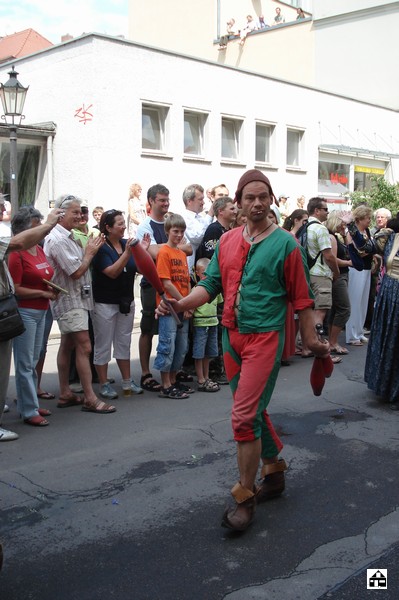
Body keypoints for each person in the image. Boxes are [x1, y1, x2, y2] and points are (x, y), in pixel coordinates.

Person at [156, 169, 328, 532]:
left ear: (271, 201)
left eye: (263, 196)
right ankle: (274, 473)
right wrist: (182, 303)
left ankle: (245, 495)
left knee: (243, 417)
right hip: (230, 338)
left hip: (265, 339)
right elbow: (211, 283)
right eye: (249, 197)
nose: (257, 203)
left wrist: (312, 341)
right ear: (237, 203)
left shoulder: (287, 245)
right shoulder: (229, 240)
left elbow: (302, 299)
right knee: (251, 412)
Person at [44, 194, 116, 414]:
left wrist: (87, 252)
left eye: (81, 211)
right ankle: (90, 398)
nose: (80, 215)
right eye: (75, 212)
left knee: (68, 344)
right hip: (69, 300)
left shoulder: (68, 235)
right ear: (61, 214)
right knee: (85, 346)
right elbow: (76, 272)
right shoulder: (57, 239)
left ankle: (66, 392)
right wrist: (90, 253)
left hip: (76, 299)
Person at [0, 197, 62, 441]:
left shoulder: (35, 247)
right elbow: (16, 287)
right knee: (23, 364)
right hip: (24, 310)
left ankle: (30, 405)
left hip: (40, 309)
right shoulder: (16, 250)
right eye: (35, 227)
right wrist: (43, 292)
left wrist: (48, 291)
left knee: (32, 360)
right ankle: (28, 410)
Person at [136, 184, 192, 392]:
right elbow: (150, 252)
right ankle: (146, 374)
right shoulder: (145, 226)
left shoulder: (172, 226)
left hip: (177, 290)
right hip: (154, 286)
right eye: (161, 200)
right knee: (150, 329)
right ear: (151, 201)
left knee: (176, 337)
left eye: (167, 200)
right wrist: (166, 247)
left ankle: (173, 376)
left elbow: (187, 248)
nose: (166, 203)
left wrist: (164, 247)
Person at [91, 209, 145, 399]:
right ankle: (104, 383)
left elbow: (138, 268)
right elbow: (112, 272)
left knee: (124, 342)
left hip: (126, 302)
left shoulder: (126, 244)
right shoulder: (101, 248)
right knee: (103, 344)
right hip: (105, 303)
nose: (123, 227)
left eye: (124, 223)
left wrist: (142, 251)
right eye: (120, 224)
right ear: (108, 227)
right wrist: (128, 253)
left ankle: (127, 381)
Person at [361, 212, 399, 409]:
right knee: (389, 341)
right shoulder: (391, 238)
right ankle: (386, 387)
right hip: (389, 296)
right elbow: (365, 248)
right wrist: (351, 229)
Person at [154, 214, 192, 399]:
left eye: (181, 231)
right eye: (175, 231)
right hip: (170, 307)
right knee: (167, 345)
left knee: (181, 346)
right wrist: (184, 303)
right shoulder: (164, 252)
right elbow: (166, 283)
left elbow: (186, 280)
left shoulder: (182, 253)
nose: (179, 235)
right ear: (168, 231)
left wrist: (189, 302)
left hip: (183, 306)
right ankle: (165, 384)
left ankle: (174, 379)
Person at [300, 197, 339, 358]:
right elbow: (328, 255)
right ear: (317, 210)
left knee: (308, 312)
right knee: (320, 312)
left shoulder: (305, 227)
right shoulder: (320, 229)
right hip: (320, 273)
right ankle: (318, 348)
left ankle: (306, 347)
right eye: (325, 209)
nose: (327, 212)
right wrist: (336, 272)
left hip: (307, 273)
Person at [344, 205, 373, 346]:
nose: (369, 221)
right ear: (360, 219)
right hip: (356, 269)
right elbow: (358, 250)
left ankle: (359, 331)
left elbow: (367, 248)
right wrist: (369, 249)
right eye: (368, 218)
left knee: (363, 302)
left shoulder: (366, 231)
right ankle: (352, 334)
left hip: (367, 268)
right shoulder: (350, 232)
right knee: (354, 301)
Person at [325, 211, 352, 358]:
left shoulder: (336, 236)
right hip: (338, 276)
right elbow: (333, 259)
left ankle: (332, 341)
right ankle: (333, 342)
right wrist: (348, 262)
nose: (344, 225)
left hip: (340, 276)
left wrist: (344, 232)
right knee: (344, 309)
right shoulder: (331, 237)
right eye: (342, 222)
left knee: (336, 310)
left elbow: (351, 247)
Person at [192, 258, 221, 392]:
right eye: (203, 273)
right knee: (199, 352)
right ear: (197, 273)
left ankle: (206, 376)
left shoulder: (214, 290)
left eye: (208, 273)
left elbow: (220, 302)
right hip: (201, 324)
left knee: (208, 353)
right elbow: (191, 306)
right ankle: (201, 379)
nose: (206, 276)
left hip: (213, 322)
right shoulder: (196, 290)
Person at [181, 184, 213, 277]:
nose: (203, 202)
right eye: (200, 199)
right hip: (187, 271)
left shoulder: (199, 217)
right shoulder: (184, 218)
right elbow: (197, 237)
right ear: (189, 201)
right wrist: (210, 214)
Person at [196, 196, 236, 261]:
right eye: (232, 209)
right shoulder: (214, 229)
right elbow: (212, 256)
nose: (235, 212)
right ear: (220, 211)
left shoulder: (231, 231)